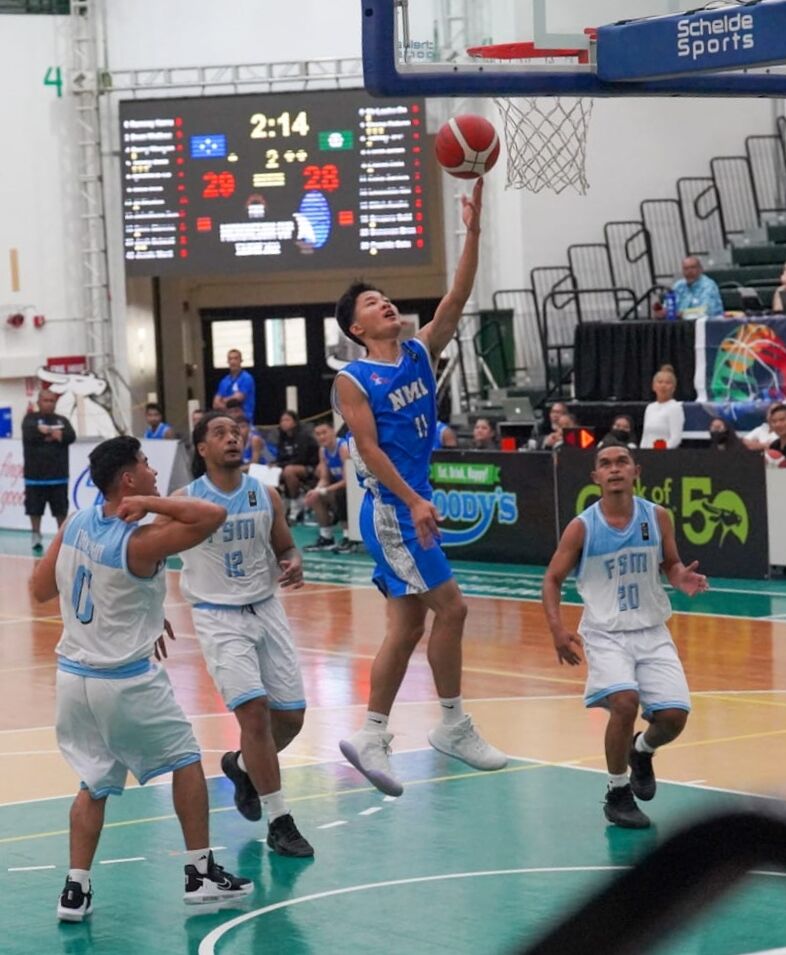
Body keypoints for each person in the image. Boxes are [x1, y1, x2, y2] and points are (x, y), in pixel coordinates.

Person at [30, 436, 252, 921]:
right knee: (186, 760)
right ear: (129, 480)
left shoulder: (74, 523)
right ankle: (200, 875)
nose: (154, 470)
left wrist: (137, 609)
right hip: (124, 682)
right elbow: (212, 515)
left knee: (94, 783)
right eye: (146, 464)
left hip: (73, 682)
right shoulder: (140, 540)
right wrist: (152, 505)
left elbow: (40, 588)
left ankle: (75, 889)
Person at [332, 179, 507, 798]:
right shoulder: (354, 378)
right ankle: (453, 724)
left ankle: (371, 734)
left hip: (408, 505)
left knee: (406, 628)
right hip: (393, 511)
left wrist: (473, 230)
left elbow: (457, 295)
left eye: (386, 298)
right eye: (372, 303)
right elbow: (369, 450)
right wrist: (413, 499)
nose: (386, 304)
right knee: (453, 609)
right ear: (356, 327)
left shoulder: (418, 350)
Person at [542, 440, 708, 829]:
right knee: (624, 701)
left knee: (673, 718)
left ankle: (642, 750)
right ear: (596, 477)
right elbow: (551, 579)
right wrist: (557, 630)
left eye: (622, 462)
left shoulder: (657, 517)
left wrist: (679, 576)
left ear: (636, 471)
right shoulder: (582, 527)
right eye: (606, 464)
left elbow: (671, 563)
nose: (614, 468)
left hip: (651, 630)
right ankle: (618, 793)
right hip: (606, 634)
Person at [177, 412, 313, 857]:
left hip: (266, 608)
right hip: (218, 616)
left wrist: (294, 562)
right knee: (254, 714)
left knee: (290, 718)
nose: (232, 438)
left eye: (235, 432)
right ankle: (280, 820)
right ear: (202, 449)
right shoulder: (186, 501)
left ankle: (240, 766)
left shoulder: (264, 494)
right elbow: (150, 556)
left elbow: (285, 545)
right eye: (220, 433)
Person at [22, 388, 76, 552]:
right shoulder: (30, 419)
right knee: (34, 509)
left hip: (58, 476)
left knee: (60, 510)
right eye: (46, 400)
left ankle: (62, 538)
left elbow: (70, 436)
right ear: (39, 402)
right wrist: (53, 434)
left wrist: (49, 433)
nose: (49, 404)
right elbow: (30, 434)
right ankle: (36, 535)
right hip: (35, 477)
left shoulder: (62, 420)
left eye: (52, 401)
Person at [303, 419, 349, 552]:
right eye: (318, 434)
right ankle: (326, 537)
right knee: (315, 497)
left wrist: (324, 490)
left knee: (340, 495)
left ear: (333, 432)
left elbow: (348, 481)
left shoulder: (343, 448)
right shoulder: (323, 451)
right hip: (339, 487)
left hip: (354, 489)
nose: (321, 437)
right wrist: (316, 490)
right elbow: (324, 478)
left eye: (324, 432)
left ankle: (348, 536)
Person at [276, 410, 319, 524]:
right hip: (288, 467)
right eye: (282, 420)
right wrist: (275, 465)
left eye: (287, 420)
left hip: (310, 467)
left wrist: (282, 465)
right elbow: (280, 458)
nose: (283, 423)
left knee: (289, 471)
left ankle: (296, 503)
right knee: (270, 471)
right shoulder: (282, 438)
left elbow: (302, 458)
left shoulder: (303, 436)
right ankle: (279, 506)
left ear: (295, 422)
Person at [654, 256, 724, 320]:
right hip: (682, 325)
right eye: (686, 268)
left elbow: (706, 311)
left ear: (701, 269)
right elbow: (669, 308)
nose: (689, 271)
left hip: (707, 325)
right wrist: (662, 312)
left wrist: (681, 314)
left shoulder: (708, 285)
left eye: (693, 267)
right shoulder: (678, 286)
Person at [640, 365, 684, 449]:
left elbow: (676, 438)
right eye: (660, 382)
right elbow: (645, 435)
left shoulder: (675, 407)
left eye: (667, 383)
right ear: (653, 386)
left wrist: (662, 451)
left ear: (673, 388)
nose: (663, 385)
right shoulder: (650, 407)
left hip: (665, 453)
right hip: (648, 452)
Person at [213, 349, 256, 423]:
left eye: (236, 358)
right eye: (230, 359)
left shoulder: (246, 378)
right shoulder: (224, 381)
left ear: (241, 360)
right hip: (227, 420)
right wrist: (228, 405)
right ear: (227, 361)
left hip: (244, 421)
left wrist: (222, 401)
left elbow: (237, 399)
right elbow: (215, 404)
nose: (233, 361)